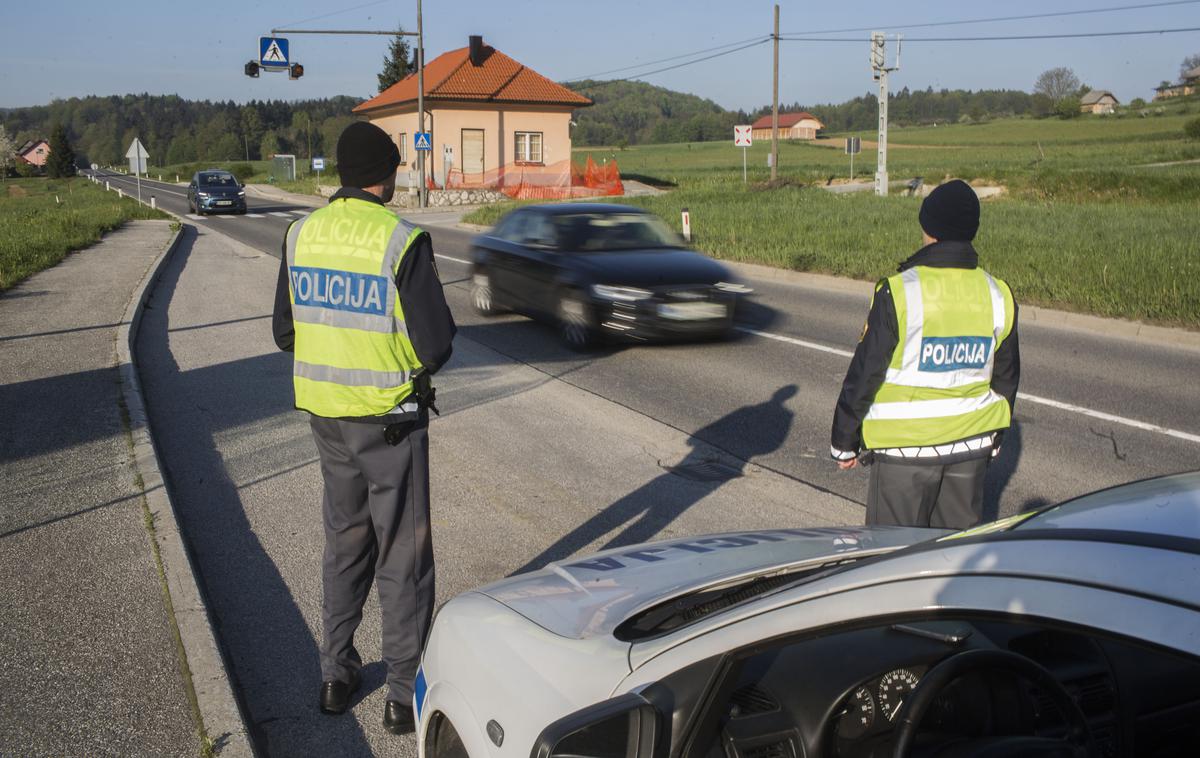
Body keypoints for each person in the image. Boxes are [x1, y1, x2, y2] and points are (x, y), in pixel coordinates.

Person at [272, 121, 456, 735]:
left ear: (343, 176)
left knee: (345, 540)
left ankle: (335, 673)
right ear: (388, 174)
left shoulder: (300, 234)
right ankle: (403, 693)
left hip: (326, 416)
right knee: (401, 549)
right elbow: (435, 346)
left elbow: (285, 332)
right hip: (391, 422)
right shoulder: (400, 240)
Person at [830, 179, 1019, 529]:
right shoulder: (998, 293)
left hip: (905, 452)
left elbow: (867, 372)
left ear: (928, 228)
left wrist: (845, 440)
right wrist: (996, 436)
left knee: (891, 561)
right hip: (971, 447)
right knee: (953, 558)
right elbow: (1006, 378)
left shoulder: (899, 291)